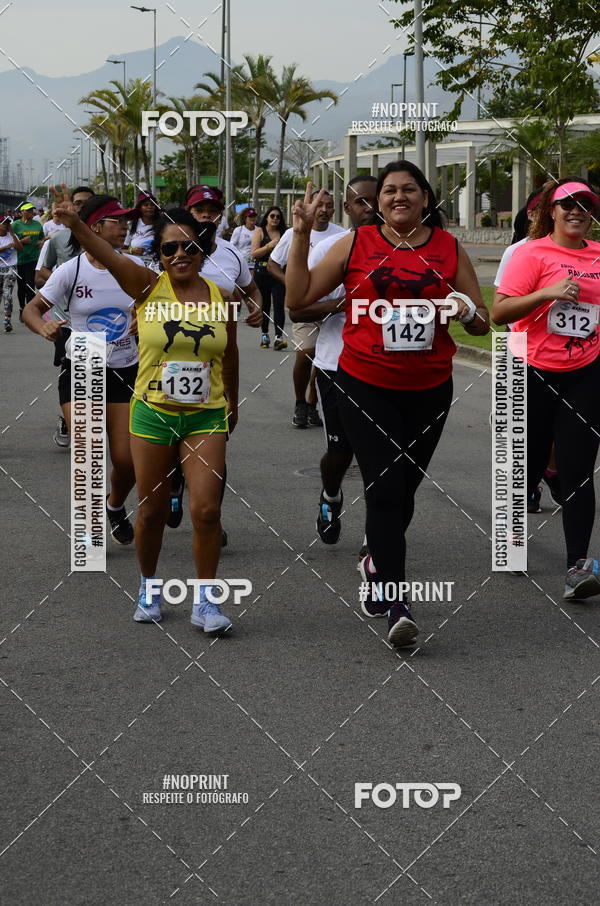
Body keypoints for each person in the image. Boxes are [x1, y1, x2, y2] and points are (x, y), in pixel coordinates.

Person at [285, 162, 489, 646]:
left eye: (409, 190)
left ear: (425, 197)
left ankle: (378, 556)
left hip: (430, 387)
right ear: (377, 203)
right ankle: (397, 601)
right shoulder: (356, 244)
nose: (399, 197)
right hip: (366, 383)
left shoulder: (448, 247)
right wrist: (298, 236)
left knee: (405, 490)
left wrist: (466, 311)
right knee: (384, 487)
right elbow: (297, 300)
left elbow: (484, 319)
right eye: (390, 191)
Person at [51, 190, 239, 631]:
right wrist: (77, 224)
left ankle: (206, 602)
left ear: (203, 249)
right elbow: (109, 256)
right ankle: (150, 585)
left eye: (188, 246)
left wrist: (232, 400)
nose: (179, 254)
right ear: (159, 254)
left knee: (207, 511)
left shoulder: (219, 296)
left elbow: (228, 354)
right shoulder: (148, 287)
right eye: (168, 247)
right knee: (151, 512)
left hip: (205, 415)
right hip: (152, 412)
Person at [493, 178, 600, 601]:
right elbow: (500, 313)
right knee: (529, 464)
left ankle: (578, 566)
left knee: (576, 468)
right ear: (550, 211)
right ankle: (511, 541)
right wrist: (547, 293)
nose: (576, 211)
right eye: (567, 204)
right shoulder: (529, 253)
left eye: (586, 205)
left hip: (586, 371)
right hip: (530, 368)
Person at [23, 193, 141, 546]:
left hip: (126, 368)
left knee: (126, 461)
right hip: (83, 364)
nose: (124, 226)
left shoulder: (135, 267)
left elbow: (157, 306)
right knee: (88, 451)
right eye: (116, 220)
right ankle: (89, 534)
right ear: (95, 227)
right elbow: (32, 308)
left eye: (125, 220)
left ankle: (115, 505)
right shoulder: (71, 270)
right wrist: (41, 325)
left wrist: (145, 319)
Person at [288, 176, 378, 548]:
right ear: (348, 208)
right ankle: (331, 495)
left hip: (388, 371)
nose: (370, 208)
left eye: (376, 199)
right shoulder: (335, 249)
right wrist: (342, 304)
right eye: (361, 202)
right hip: (335, 365)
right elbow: (298, 309)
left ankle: (378, 539)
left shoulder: (408, 251)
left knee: (382, 455)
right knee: (341, 451)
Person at [269, 189, 344, 428]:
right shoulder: (294, 232)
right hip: (305, 308)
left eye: (329, 206)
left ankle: (313, 404)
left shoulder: (342, 236)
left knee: (326, 359)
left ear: (336, 209)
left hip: (334, 307)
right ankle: (300, 401)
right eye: (320, 204)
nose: (324, 210)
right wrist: (293, 287)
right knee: (306, 353)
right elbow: (273, 264)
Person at [35, 186, 95, 447]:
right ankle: (68, 416)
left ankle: (93, 416)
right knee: (68, 364)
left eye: (85, 204)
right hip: (63, 318)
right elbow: (40, 274)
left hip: (97, 319)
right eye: (77, 203)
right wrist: (64, 281)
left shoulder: (104, 241)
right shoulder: (57, 240)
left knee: (96, 368)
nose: (80, 208)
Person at [252, 206, 287, 350]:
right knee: (265, 305)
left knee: (279, 305)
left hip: (278, 273)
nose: (275, 219)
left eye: (278, 217)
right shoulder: (260, 231)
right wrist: (269, 245)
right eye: (272, 216)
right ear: (266, 217)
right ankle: (265, 335)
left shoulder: (284, 233)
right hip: (262, 273)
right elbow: (254, 253)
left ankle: (279, 337)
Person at [12, 202, 44, 318]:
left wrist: (41, 242)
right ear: (21, 212)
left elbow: (42, 237)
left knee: (30, 286)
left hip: (33, 259)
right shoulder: (15, 225)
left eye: (32, 210)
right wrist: (22, 242)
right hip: (19, 260)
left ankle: (29, 312)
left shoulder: (37, 225)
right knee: (21, 287)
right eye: (28, 210)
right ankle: (22, 308)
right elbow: (9, 243)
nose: (30, 212)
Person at [125, 192, 161, 266]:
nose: (149, 207)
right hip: (136, 266)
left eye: (152, 204)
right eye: (146, 205)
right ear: (140, 208)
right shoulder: (131, 224)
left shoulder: (161, 224)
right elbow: (120, 251)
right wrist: (132, 251)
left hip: (156, 267)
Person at [0, 217, 22, 332]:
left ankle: (7, 321)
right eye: (4, 224)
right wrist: (5, 247)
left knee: (7, 294)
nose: (6, 226)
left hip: (10, 269)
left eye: (8, 224)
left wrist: (13, 235)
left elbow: (20, 248)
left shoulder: (12, 237)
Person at [230, 207, 258, 276]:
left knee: (252, 282)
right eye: (250, 216)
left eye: (254, 216)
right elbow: (231, 246)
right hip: (241, 263)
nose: (253, 218)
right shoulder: (238, 230)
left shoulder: (259, 230)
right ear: (245, 218)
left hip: (254, 263)